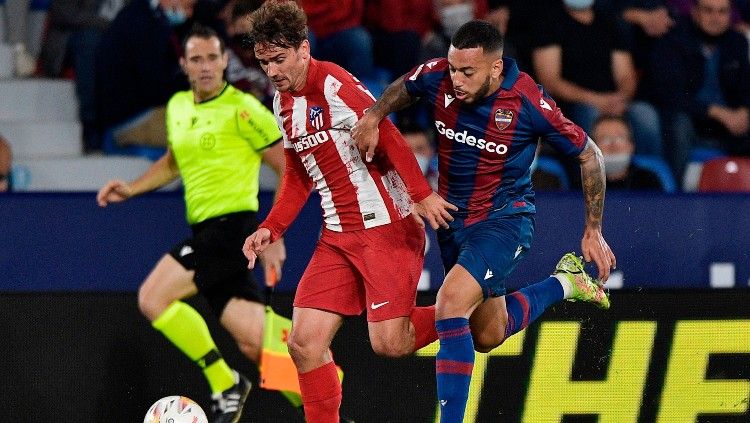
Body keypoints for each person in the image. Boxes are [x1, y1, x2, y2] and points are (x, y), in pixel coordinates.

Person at [353, 20, 616, 422]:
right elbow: (403, 88)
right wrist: (373, 116)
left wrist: (593, 229)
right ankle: (567, 282)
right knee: (488, 335)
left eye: (467, 72)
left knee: (449, 303)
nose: (455, 79)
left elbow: (589, 154)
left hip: (503, 220)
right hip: (452, 221)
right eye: (454, 68)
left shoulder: (527, 100)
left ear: (495, 68)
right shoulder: (440, 74)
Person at [242, 2, 457, 422]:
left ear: (304, 49)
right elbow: (298, 173)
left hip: (387, 230)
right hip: (337, 238)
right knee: (303, 343)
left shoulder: (335, 83)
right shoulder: (281, 103)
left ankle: (468, 306)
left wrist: (419, 193)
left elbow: (390, 135)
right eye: (263, 61)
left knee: (391, 344)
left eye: (279, 59)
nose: (271, 71)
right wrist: (273, 226)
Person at [96, 25, 286, 423]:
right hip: (205, 233)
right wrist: (132, 188)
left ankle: (224, 382)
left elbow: (288, 168)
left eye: (213, 58)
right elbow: (173, 162)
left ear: (224, 61)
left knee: (152, 297)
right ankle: (329, 404)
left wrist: (275, 228)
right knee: (259, 342)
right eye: (196, 59)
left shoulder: (244, 108)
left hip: (234, 228)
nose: (205, 67)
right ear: (184, 65)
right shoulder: (179, 106)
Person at [649, 0, 750, 180]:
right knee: (680, 122)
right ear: (695, 12)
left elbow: (745, 86)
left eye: (722, 12)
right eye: (708, 11)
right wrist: (717, 113)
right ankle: (675, 195)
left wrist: (744, 111)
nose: (716, 18)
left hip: (728, 125)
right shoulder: (673, 41)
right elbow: (670, 94)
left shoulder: (737, 41)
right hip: (690, 121)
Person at [95, 0, 195, 151]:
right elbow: (155, 83)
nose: (190, 13)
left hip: (146, 109)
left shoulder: (155, 19)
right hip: (132, 117)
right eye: (188, 6)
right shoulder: (139, 20)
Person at [592, 114, 665, 190]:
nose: (613, 145)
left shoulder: (648, 180)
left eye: (620, 138)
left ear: (631, 145)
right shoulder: (582, 182)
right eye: (604, 139)